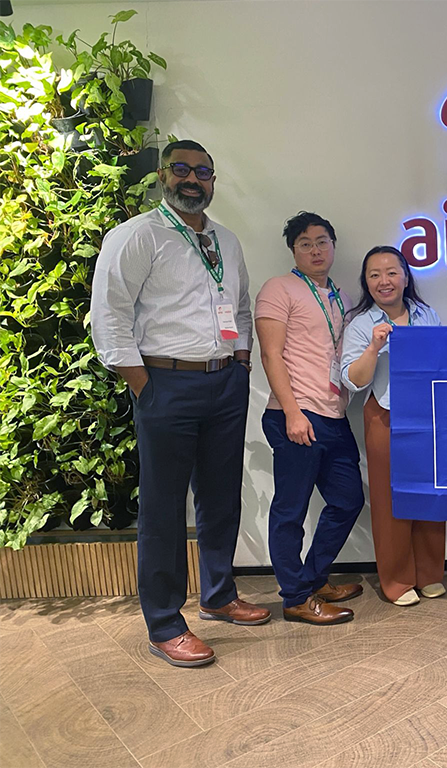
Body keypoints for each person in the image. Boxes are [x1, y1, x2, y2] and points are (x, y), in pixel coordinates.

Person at [91, 139, 270, 667]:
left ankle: (218, 594)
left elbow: (237, 302)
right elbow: (109, 318)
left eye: (204, 172)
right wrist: (144, 384)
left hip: (223, 383)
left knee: (220, 497)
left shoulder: (227, 241)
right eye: (182, 169)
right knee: (164, 509)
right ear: (163, 175)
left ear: (213, 180)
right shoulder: (136, 236)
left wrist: (240, 363)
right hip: (164, 384)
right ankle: (165, 623)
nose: (193, 179)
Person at [255, 212, 364, 625]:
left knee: (348, 500)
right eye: (305, 243)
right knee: (291, 510)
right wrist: (293, 412)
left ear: (334, 246)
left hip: (333, 417)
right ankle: (296, 597)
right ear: (293, 250)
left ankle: (314, 579)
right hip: (295, 415)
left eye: (322, 241)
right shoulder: (278, 289)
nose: (315, 250)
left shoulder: (343, 297)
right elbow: (271, 354)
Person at [340, 246, 445, 606]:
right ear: (366, 282)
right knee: (390, 500)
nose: (384, 281)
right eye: (374, 275)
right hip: (384, 415)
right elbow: (353, 381)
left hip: (428, 419)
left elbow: (444, 362)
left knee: (431, 496)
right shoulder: (361, 323)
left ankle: (430, 573)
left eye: (391, 272)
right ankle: (398, 581)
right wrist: (374, 347)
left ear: (405, 276)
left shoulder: (426, 314)